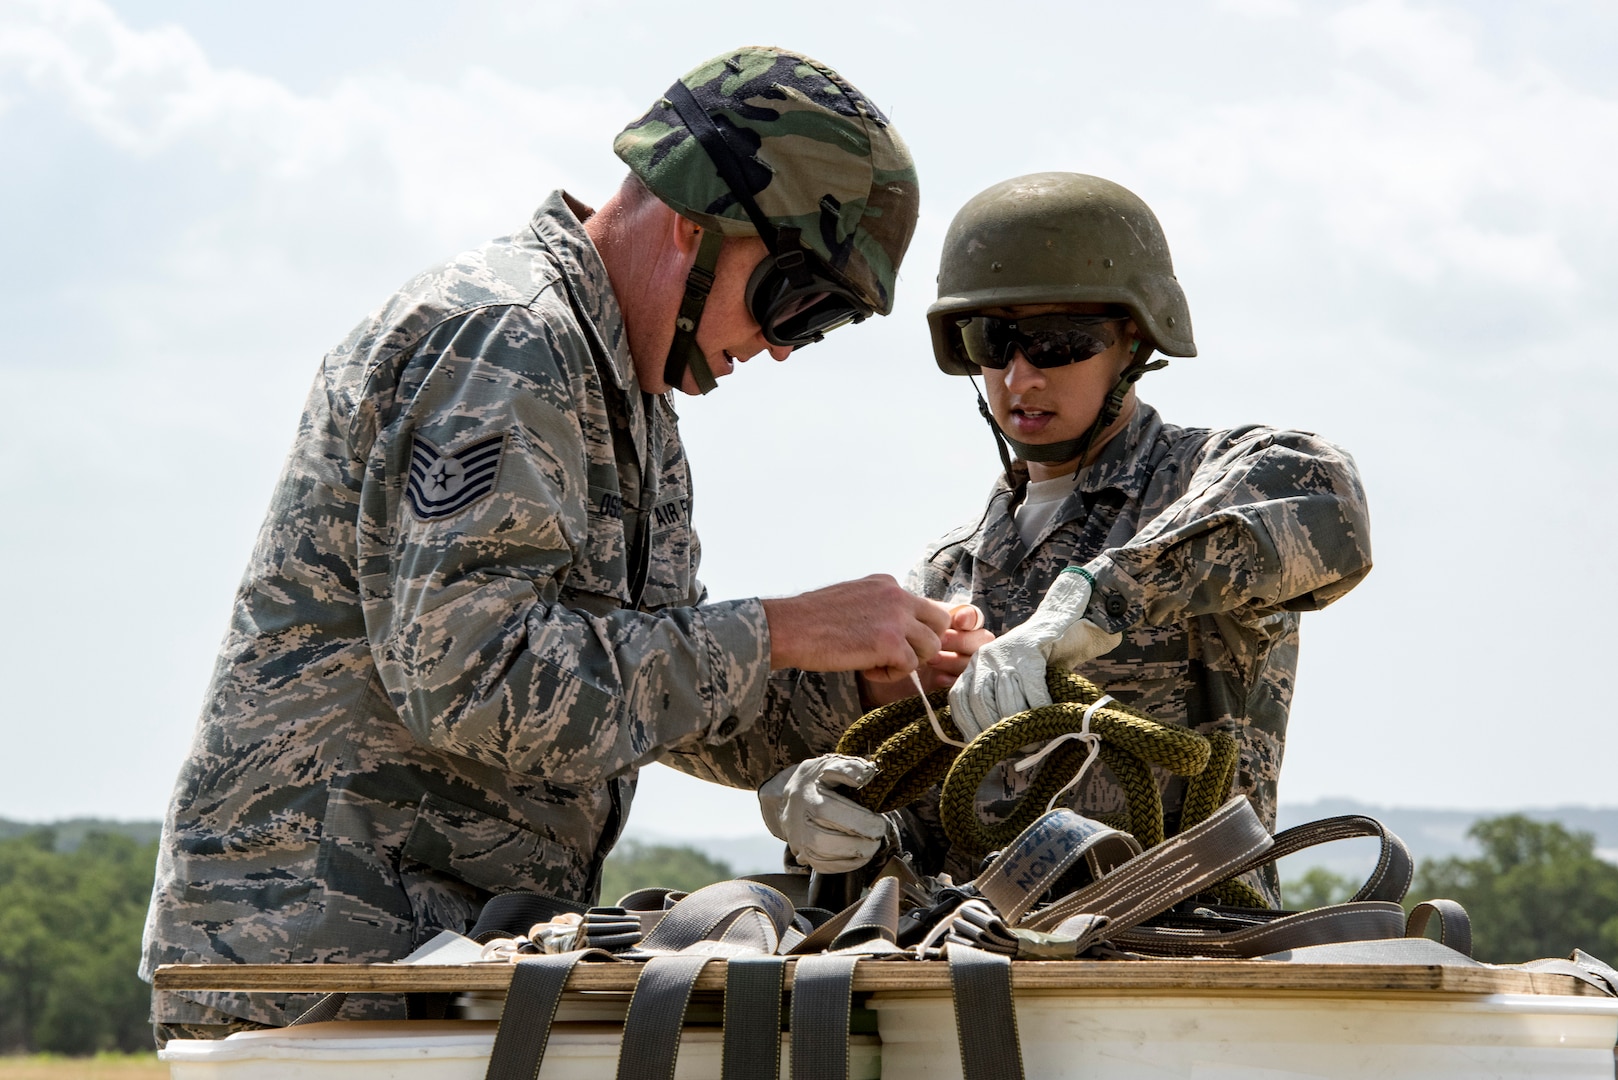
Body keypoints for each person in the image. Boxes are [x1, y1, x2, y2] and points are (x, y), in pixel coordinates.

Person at [140, 46, 966, 1040]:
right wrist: (779, 631)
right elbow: (474, 683)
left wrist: (858, 690)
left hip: (422, 970)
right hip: (322, 976)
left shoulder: (630, 399)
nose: (785, 345)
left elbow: (643, 696)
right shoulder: (508, 340)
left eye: (824, 324)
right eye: (795, 298)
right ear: (695, 222)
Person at [761, 172, 1372, 900]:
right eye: (993, 340)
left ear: (1133, 340)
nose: (1021, 377)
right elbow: (954, 814)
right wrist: (852, 821)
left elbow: (1327, 501)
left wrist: (1092, 602)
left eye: (1058, 342)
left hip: (1184, 952)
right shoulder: (948, 575)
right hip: (984, 970)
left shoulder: (1195, 485)